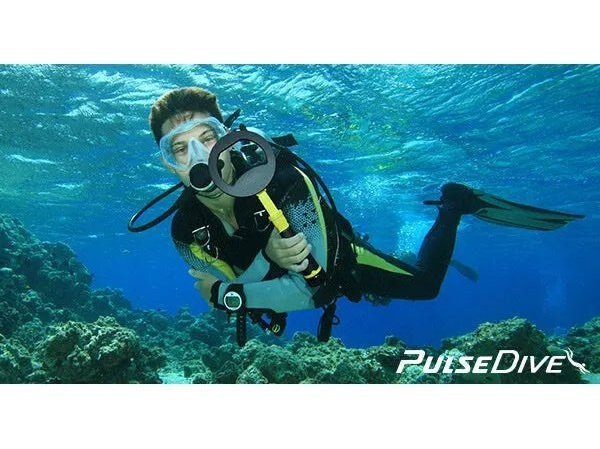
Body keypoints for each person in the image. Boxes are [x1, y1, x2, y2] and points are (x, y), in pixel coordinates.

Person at [144, 86, 583, 345]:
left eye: (208, 137)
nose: (198, 156)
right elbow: (220, 293)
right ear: (167, 163)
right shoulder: (184, 229)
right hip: (286, 280)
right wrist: (265, 261)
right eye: (179, 148)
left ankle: (454, 204)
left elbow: (311, 291)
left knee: (425, 285)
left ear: (229, 139)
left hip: (341, 263)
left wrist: (233, 292)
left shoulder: (280, 182)